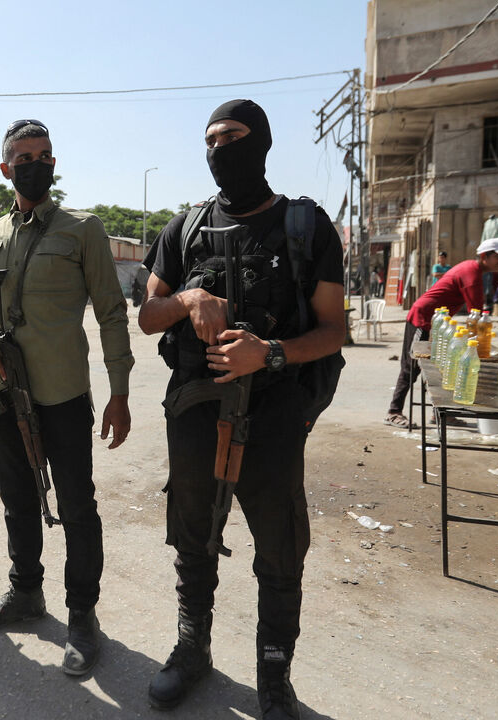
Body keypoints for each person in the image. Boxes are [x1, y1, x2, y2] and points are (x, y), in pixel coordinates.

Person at [138, 99, 345, 717]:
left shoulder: (305, 226)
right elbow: (149, 316)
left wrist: (271, 353)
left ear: (263, 143)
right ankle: (192, 649)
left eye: (233, 136)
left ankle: (274, 675)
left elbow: (334, 329)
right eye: (211, 139)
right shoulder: (185, 228)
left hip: (276, 413)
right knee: (194, 537)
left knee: (280, 547)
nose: (220, 148)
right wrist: (190, 296)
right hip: (197, 410)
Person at [0, 119, 132, 677]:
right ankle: (26, 594)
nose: (36, 164)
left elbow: (110, 312)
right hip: (4, 393)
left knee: (77, 508)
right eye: (24, 157)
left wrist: (119, 392)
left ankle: (82, 616)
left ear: (53, 164)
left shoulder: (84, 229)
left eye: (45, 155)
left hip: (62, 395)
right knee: (16, 500)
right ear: (5, 168)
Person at [384, 237, 498, 429]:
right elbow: (475, 315)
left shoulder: (473, 269)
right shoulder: (472, 274)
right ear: (485, 256)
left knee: (437, 368)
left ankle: (440, 413)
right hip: (423, 318)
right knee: (411, 367)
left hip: (438, 323)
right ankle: (393, 412)